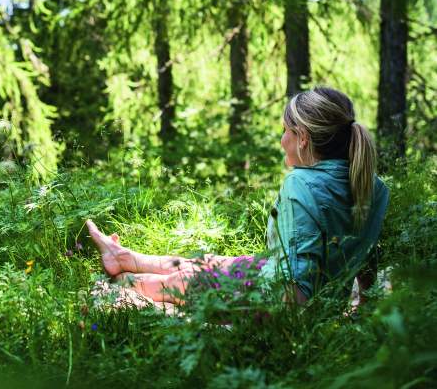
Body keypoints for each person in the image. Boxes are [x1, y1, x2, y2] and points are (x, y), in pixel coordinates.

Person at [87, 86, 389, 306]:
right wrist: (363, 305)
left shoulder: (301, 185)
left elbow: (295, 293)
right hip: (279, 279)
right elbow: (367, 257)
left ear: (304, 138)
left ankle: (122, 281)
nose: (282, 140)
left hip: (274, 299)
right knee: (208, 263)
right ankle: (125, 258)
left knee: (184, 281)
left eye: (286, 131)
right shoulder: (373, 186)